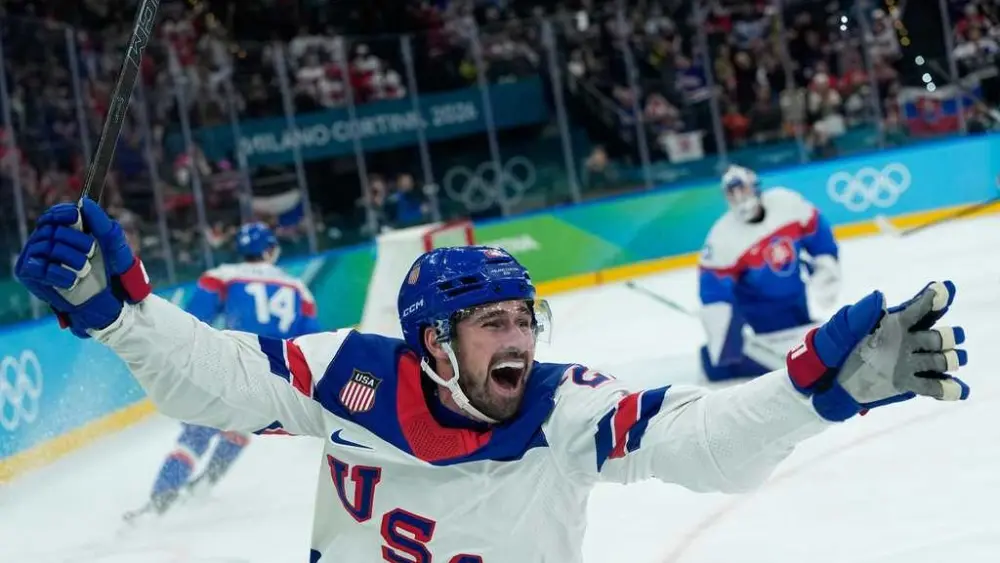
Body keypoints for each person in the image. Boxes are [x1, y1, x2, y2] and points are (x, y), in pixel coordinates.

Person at [16, 199, 970, 562]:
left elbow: (703, 441)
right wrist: (120, 310)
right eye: (492, 323)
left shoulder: (568, 410)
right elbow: (211, 378)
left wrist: (813, 390)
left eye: (524, 318)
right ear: (433, 342)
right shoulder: (345, 374)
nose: (518, 337)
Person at [125, 222, 321, 522]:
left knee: (197, 431)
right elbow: (312, 343)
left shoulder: (222, 276)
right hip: (270, 378)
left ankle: (159, 503)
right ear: (270, 250)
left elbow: (191, 321)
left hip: (225, 363)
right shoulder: (299, 290)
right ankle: (203, 487)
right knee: (242, 426)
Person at [698, 164, 842, 381]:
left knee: (809, 346)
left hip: (796, 295)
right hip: (761, 311)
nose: (739, 198)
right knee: (797, 358)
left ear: (755, 187)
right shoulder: (722, 237)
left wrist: (825, 266)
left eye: (742, 190)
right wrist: (724, 330)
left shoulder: (785, 203)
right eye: (732, 194)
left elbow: (816, 230)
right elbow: (713, 289)